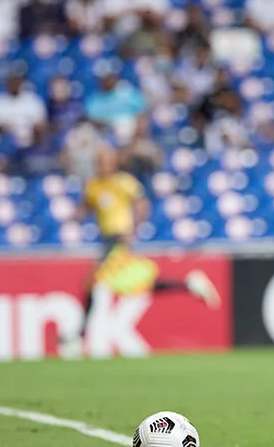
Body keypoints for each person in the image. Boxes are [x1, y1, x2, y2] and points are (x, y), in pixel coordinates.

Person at [61, 147, 220, 355]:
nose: (103, 165)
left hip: (119, 239)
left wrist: (133, 228)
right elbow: (86, 207)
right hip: (105, 240)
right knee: (138, 284)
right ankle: (188, 284)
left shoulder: (124, 182)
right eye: (100, 161)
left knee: (93, 281)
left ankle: (79, 336)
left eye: (107, 161)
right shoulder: (93, 186)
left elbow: (142, 204)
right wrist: (75, 216)